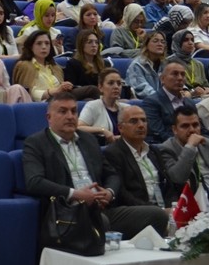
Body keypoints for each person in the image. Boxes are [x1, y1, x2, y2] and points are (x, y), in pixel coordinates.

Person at [22, 92, 118, 232]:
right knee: (100, 221)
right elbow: (34, 182)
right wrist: (75, 194)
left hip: (100, 205)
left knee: (153, 214)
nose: (70, 116)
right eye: (63, 111)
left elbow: (112, 174)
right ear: (49, 118)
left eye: (74, 111)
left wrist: (109, 193)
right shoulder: (36, 143)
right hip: (67, 211)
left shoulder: (89, 140)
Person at [100, 106, 177, 235]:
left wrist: (173, 206)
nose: (141, 125)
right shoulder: (113, 153)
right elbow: (122, 193)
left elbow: (169, 185)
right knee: (157, 215)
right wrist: (159, 210)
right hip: (136, 210)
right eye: (134, 121)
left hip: (161, 208)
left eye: (144, 120)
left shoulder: (154, 151)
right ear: (120, 128)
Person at [140, 60, 195, 145]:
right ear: (162, 79)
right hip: (167, 149)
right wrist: (185, 143)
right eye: (175, 74)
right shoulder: (151, 102)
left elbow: (202, 129)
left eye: (183, 75)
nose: (180, 78)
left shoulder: (190, 103)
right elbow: (158, 133)